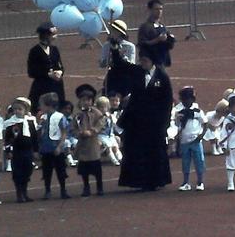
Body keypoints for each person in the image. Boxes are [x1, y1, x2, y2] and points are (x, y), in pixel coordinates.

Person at [116, 52, 174, 191]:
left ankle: (156, 180)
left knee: (155, 152)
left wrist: (165, 123)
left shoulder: (162, 77)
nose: (142, 63)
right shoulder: (137, 71)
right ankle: (138, 181)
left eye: (145, 61)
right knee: (136, 151)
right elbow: (122, 65)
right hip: (137, 122)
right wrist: (115, 49)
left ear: (152, 61)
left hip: (155, 122)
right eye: (141, 60)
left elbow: (167, 102)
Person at [72, 84, 106, 197]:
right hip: (83, 144)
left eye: (88, 100)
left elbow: (101, 122)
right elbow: (74, 127)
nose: (85, 102)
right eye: (83, 100)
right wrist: (79, 133)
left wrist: (93, 131)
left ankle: (99, 187)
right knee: (84, 170)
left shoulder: (96, 112)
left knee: (96, 168)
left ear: (92, 101)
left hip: (93, 144)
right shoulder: (78, 114)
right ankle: (86, 187)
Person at [36, 93, 70, 199]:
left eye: (41, 104)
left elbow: (64, 132)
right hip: (46, 148)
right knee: (47, 171)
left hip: (56, 147)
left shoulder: (60, 117)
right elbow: (40, 132)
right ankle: (47, 190)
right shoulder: (43, 117)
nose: (40, 107)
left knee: (61, 170)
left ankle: (63, 190)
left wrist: (60, 146)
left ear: (48, 105)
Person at [3, 98, 37, 203]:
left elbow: (34, 136)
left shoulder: (31, 121)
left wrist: (36, 150)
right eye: (15, 109)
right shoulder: (10, 123)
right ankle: (19, 193)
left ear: (26, 110)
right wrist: (8, 151)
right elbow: (7, 139)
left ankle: (25, 192)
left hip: (28, 150)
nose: (17, 111)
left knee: (28, 170)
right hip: (17, 151)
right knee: (18, 172)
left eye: (20, 109)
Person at [27, 22, 66, 115]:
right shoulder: (34, 51)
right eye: (52, 35)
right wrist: (47, 74)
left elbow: (60, 65)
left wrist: (60, 72)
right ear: (45, 35)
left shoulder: (54, 49)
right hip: (42, 86)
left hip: (56, 86)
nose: (54, 37)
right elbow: (31, 71)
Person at [174, 87, 206, 192]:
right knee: (185, 163)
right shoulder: (179, 111)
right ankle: (186, 182)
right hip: (184, 141)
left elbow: (205, 123)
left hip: (196, 140)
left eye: (188, 99)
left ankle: (200, 182)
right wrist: (178, 119)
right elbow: (177, 125)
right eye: (184, 99)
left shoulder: (197, 111)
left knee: (199, 162)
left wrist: (201, 136)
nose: (186, 101)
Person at [100, 20, 139, 96]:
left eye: (114, 30)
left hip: (125, 77)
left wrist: (121, 55)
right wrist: (108, 59)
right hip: (112, 76)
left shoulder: (129, 46)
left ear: (120, 33)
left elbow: (131, 63)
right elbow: (102, 64)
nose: (111, 32)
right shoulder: (107, 45)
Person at [137, 0, 175, 67]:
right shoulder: (145, 27)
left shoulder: (162, 26)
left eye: (161, 9)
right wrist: (158, 39)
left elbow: (168, 45)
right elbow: (142, 44)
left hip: (161, 61)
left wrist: (170, 40)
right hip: (150, 61)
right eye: (156, 9)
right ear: (150, 10)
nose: (159, 11)